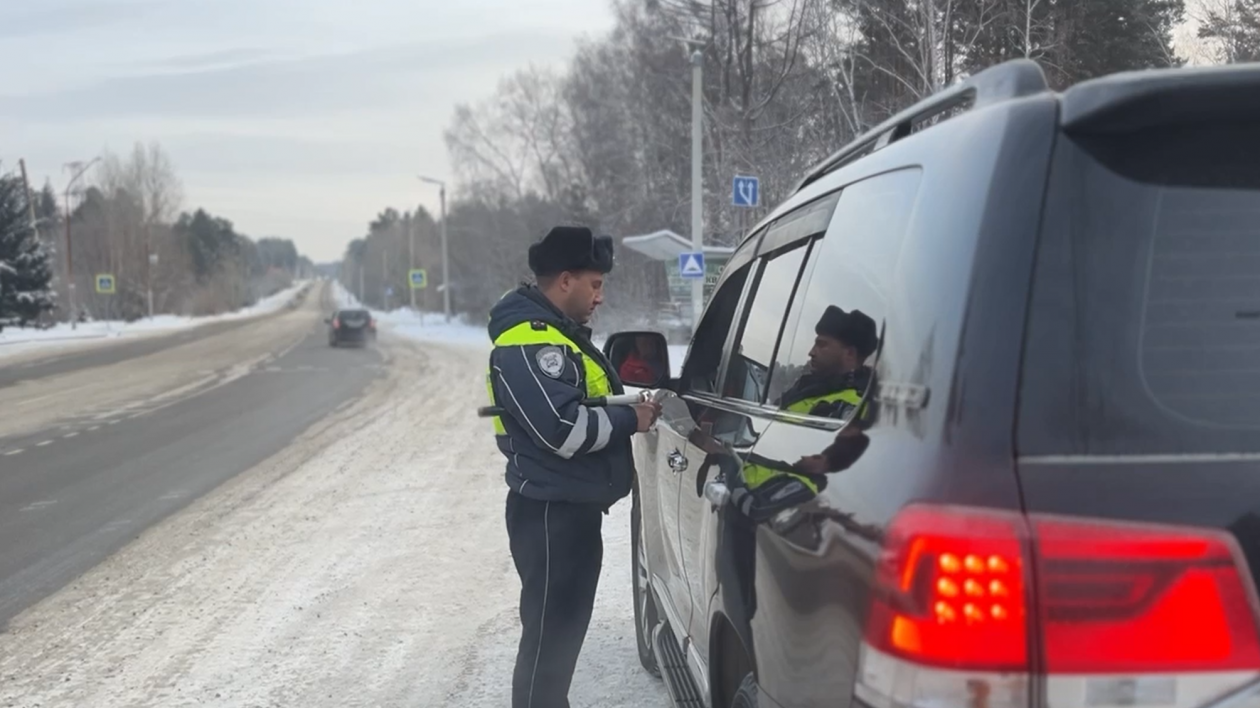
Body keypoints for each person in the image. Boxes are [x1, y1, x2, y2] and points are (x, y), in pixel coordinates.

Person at [485, 225, 662, 708]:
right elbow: (563, 430)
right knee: (548, 643)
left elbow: (580, 400)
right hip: (550, 516)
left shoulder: (556, 337)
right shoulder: (531, 343)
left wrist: (627, 404)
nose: (600, 296)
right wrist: (631, 419)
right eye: (596, 283)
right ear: (566, 280)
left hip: (566, 511)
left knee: (558, 639)